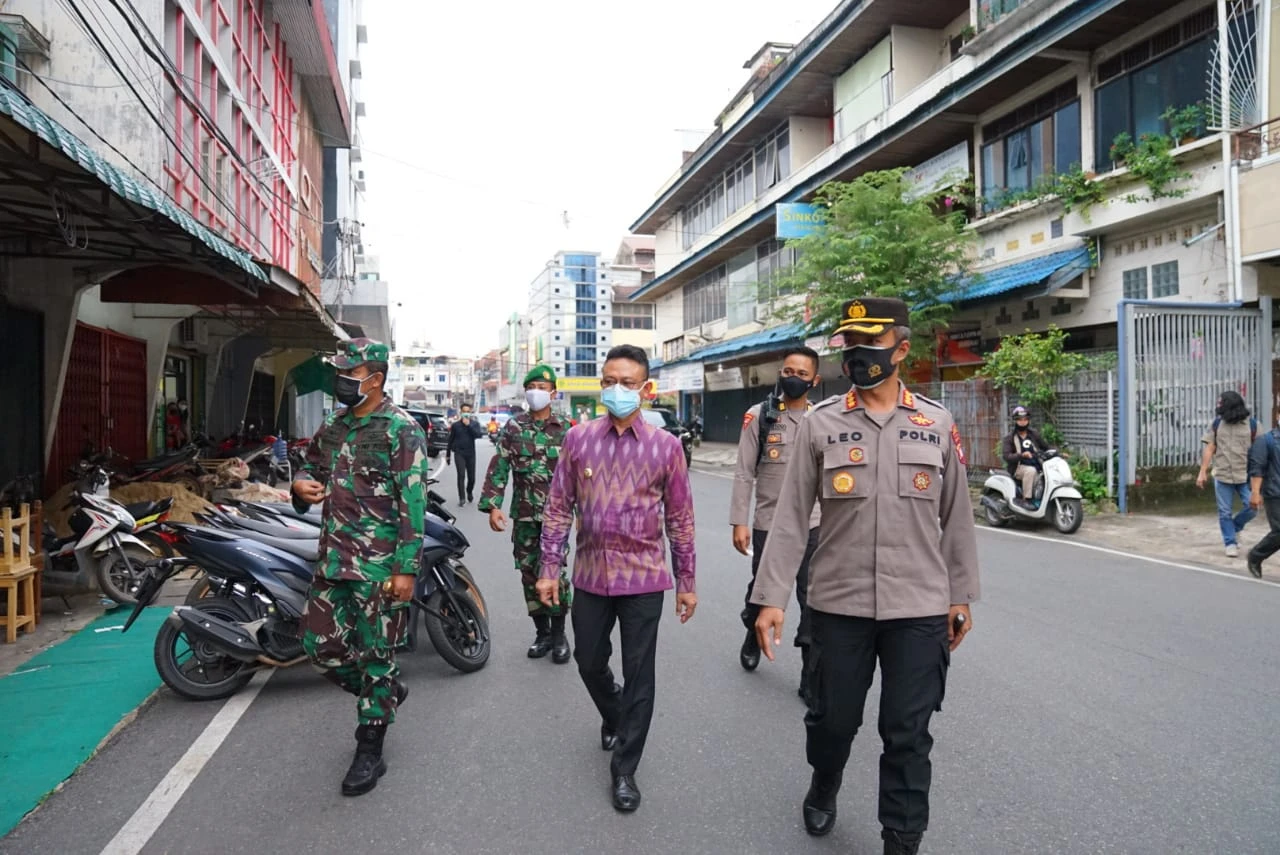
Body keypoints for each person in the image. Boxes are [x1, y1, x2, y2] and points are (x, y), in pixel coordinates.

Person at [751, 298, 979, 855]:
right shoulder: (821, 423)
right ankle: (825, 778)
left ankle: (902, 838)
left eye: (869, 346)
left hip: (918, 607)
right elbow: (789, 517)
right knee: (833, 722)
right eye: (849, 347)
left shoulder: (936, 423)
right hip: (838, 603)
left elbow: (957, 517)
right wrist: (771, 597)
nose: (857, 357)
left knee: (908, 734)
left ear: (901, 349)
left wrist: (962, 595)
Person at [536, 344, 697, 814]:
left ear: (645, 389)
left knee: (640, 674)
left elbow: (681, 519)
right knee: (588, 660)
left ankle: (624, 769)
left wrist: (687, 580)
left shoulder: (666, 448)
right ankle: (615, 712)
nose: (617, 389)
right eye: (609, 380)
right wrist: (549, 568)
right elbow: (558, 508)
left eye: (627, 383)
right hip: (589, 575)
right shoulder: (579, 439)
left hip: (645, 578)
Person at [291, 338, 428, 797]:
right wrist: (300, 486)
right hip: (332, 559)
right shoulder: (335, 425)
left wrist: (406, 569)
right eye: (340, 374)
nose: (342, 382)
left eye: (350, 375)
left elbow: (413, 503)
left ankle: (369, 747)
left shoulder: (400, 430)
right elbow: (309, 467)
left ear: (376, 379)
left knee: (376, 657)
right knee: (318, 648)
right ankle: (384, 693)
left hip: (378, 568)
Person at [730, 346, 822, 699]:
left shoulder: (824, 418)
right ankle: (753, 632)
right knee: (763, 588)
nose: (793, 378)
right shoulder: (760, 416)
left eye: (801, 373)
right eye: (788, 371)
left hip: (815, 524)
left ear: (814, 380)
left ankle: (810, 674)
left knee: (812, 598)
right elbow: (742, 473)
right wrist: (739, 521)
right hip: (769, 522)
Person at [478, 365, 572, 662]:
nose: (537, 393)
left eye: (543, 388)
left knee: (556, 572)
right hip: (525, 515)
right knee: (529, 574)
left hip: (558, 518)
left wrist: (584, 509)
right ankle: (541, 633)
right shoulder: (514, 428)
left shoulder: (567, 429)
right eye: (532, 387)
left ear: (553, 393)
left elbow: (580, 474)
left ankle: (559, 634)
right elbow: (500, 465)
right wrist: (493, 505)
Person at [1196, 390, 1258, 557]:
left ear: (1230, 404)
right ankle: (1230, 542)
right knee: (1224, 512)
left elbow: (1260, 451)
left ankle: (1236, 527)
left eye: (1221, 403)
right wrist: (1202, 471)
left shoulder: (1252, 425)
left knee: (1253, 507)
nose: (1218, 406)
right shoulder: (1217, 424)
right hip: (1222, 475)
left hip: (1245, 475)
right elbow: (1210, 448)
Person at [1246, 419, 1280, 578]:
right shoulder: (1266, 441)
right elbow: (1257, 468)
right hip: (1275, 492)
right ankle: (1255, 555)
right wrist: (1255, 492)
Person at [1001, 406, 1049, 509]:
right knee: (1030, 471)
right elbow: (1006, 456)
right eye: (1020, 420)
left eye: (1025, 419)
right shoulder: (1009, 438)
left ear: (1028, 420)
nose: (1023, 422)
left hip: (1037, 465)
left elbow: (1046, 447)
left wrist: (1058, 453)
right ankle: (1026, 500)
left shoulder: (1034, 434)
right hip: (1019, 467)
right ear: (1015, 421)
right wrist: (1021, 455)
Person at [446, 403, 485, 505]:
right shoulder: (455, 425)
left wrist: (468, 425)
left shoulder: (475, 424)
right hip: (459, 453)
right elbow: (450, 440)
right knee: (461, 475)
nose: (466, 413)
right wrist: (448, 455)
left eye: (468, 411)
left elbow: (478, 435)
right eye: (464, 411)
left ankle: (469, 491)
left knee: (472, 478)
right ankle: (462, 498)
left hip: (471, 453)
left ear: (470, 412)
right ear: (461, 412)